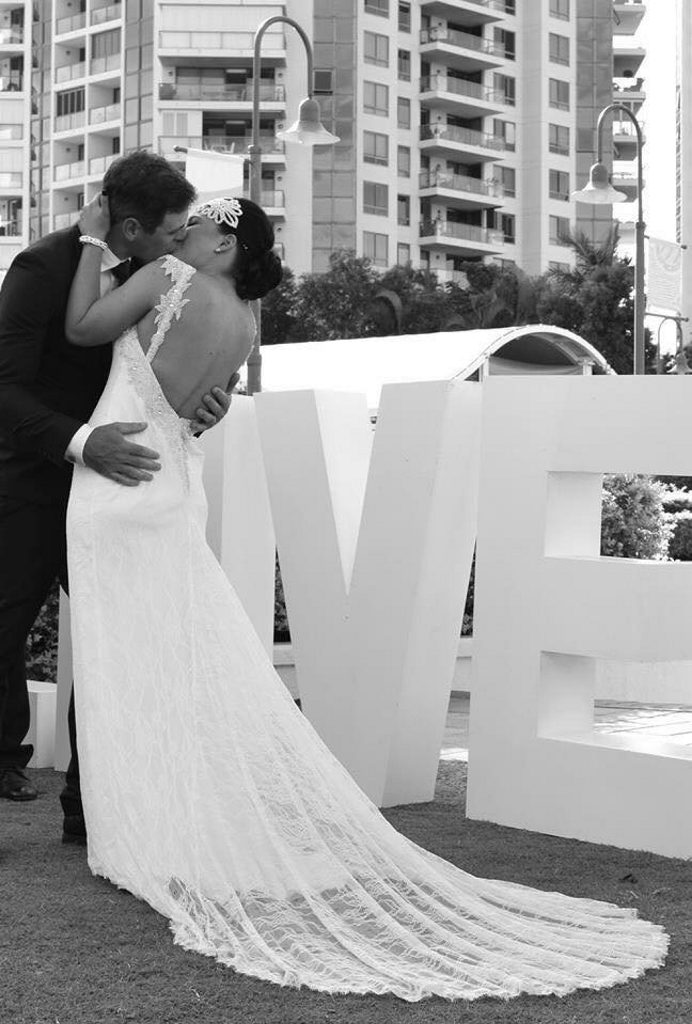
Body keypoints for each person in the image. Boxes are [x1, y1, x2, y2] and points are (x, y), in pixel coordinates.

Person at [64, 194, 668, 1002]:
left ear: (224, 240)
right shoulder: (247, 322)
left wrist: (90, 238)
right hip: (172, 489)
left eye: (200, 223)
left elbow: (81, 329)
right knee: (176, 659)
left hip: (112, 488)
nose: (185, 231)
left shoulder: (167, 275)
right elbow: (201, 411)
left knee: (123, 662)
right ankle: (158, 823)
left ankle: (137, 832)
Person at [0, 152, 233, 843]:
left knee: (113, 640)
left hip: (118, 485)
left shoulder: (158, 277)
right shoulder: (41, 268)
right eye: (168, 232)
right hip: (31, 482)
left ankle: (91, 810)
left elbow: (158, 373)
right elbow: (4, 388)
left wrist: (202, 405)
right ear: (129, 228)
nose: (178, 243)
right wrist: (79, 441)